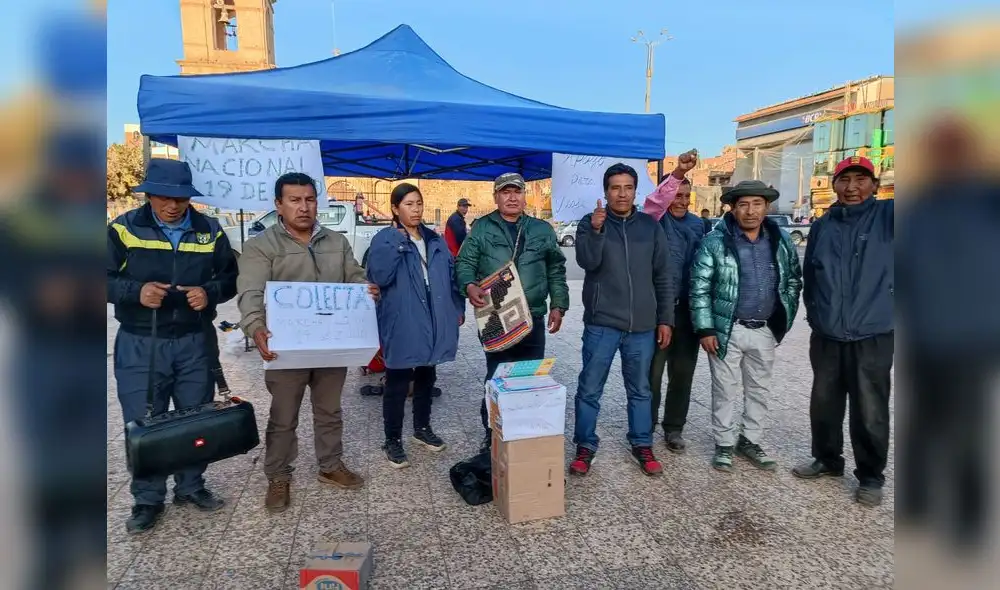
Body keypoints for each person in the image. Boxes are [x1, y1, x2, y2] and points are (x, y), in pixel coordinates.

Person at [108, 158, 238, 533]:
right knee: (144, 422)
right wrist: (135, 292)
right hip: (141, 342)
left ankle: (191, 487)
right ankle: (147, 500)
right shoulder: (123, 229)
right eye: (163, 197)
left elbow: (229, 277)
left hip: (195, 341)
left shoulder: (209, 231)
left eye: (179, 198)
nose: (172, 205)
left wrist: (209, 292)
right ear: (148, 194)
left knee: (194, 417)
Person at [237, 172, 378, 513]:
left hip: (331, 345)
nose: (303, 207)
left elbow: (353, 276)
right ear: (279, 205)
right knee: (283, 416)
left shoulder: (336, 241)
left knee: (329, 411)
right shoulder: (261, 246)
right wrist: (255, 327)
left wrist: (365, 290)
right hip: (285, 349)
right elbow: (250, 292)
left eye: (310, 200)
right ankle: (278, 475)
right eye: (295, 200)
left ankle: (330, 465)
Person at [792, 156, 894, 507]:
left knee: (870, 408)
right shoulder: (823, 225)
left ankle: (870, 475)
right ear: (834, 185)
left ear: (875, 185)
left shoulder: (889, 217)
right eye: (844, 180)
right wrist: (816, 314)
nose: (852, 187)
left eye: (860, 179)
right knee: (823, 403)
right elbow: (812, 274)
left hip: (872, 333)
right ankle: (827, 459)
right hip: (827, 332)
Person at [570, 163, 675, 476]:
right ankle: (585, 445)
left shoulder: (650, 226)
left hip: (642, 326)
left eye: (628, 187)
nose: (622, 193)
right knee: (589, 388)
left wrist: (665, 319)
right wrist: (598, 230)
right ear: (605, 191)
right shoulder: (590, 223)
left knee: (641, 389)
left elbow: (663, 275)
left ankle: (642, 443)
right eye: (615, 187)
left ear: (635, 190)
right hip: (602, 323)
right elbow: (587, 261)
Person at [690, 180, 802, 473]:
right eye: (743, 204)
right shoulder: (715, 242)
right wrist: (706, 329)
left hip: (765, 328)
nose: (750, 211)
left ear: (767, 207)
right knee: (724, 390)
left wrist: (784, 318)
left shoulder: (781, 240)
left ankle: (750, 440)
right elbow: (699, 288)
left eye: (756, 204)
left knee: (759, 389)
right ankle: (724, 443)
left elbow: (792, 279)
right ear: (732, 208)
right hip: (728, 329)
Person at [455, 172, 570, 449]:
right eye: (505, 192)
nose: (511, 197)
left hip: (533, 316)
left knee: (529, 376)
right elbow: (464, 262)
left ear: (524, 195)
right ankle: (491, 432)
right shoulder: (482, 227)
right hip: (496, 315)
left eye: (516, 191)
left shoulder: (542, 230)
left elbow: (556, 268)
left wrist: (559, 304)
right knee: (497, 376)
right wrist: (469, 285)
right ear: (496, 197)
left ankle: (524, 431)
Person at [367, 184, 464, 468]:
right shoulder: (384, 239)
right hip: (402, 318)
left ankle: (422, 428)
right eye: (409, 204)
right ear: (395, 209)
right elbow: (379, 276)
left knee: (426, 375)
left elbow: (451, 276)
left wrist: (456, 308)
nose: (416, 209)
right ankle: (392, 439)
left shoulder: (435, 240)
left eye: (419, 203)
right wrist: (399, 244)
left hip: (433, 318)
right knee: (397, 381)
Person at [642, 154, 707, 453]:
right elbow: (657, 200)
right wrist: (679, 172)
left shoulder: (699, 225)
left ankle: (674, 427)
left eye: (685, 196)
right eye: (676, 194)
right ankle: (646, 426)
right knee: (653, 373)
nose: (680, 200)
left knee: (683, 373)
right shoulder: (654, 219)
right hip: (659, 309)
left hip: (688, 311)